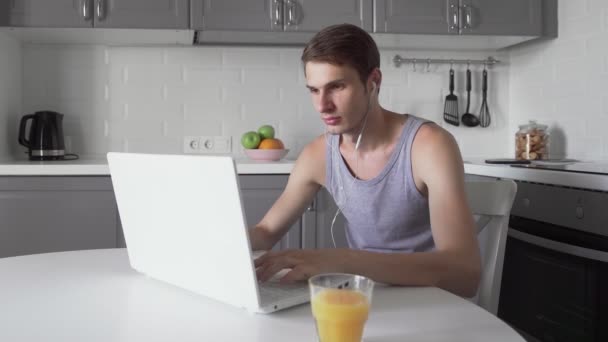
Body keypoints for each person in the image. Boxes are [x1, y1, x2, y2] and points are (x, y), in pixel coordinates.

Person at [250, 24, 481, 297]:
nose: (322, 105)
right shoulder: (317, 155)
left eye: (336, 86)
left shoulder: (429, 146)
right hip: (362, 298)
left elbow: (465, 274)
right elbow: (265, 231)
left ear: (374, 81)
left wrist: (345, 261)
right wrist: (209, 244)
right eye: (314, 90)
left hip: (431, 299)